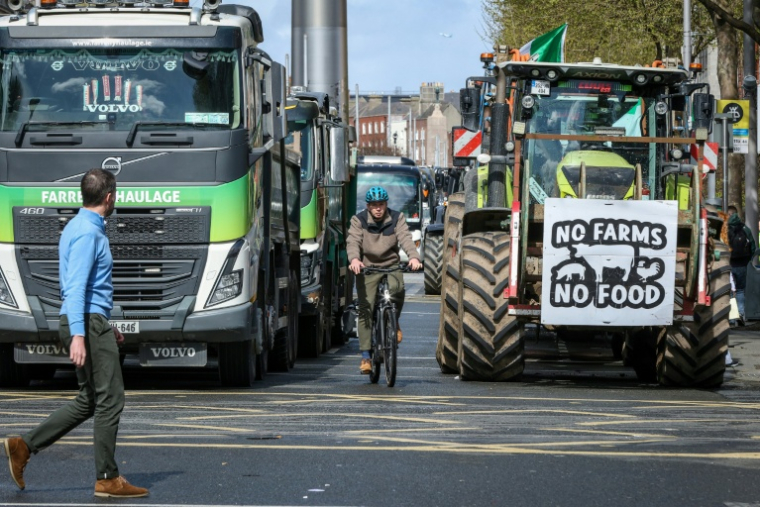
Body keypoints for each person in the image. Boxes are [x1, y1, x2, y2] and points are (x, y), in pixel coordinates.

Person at [3, 169, 148, 498]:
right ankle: (107, 478)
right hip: (84, 321)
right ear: (109, 197)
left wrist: (105, 325)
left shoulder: (78, 226)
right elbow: (77, 286)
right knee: (111, 398)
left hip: (90, 321)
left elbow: (84, 285)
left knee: (88, 400)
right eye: (116, 195)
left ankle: (23, 447)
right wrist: (82, 335)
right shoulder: (88, 233)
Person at [348, 186, 423, 374]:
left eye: (381, 204)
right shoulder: (359, 220)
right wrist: (355, 259)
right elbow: (353, 241)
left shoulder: (397, 218)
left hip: (391, 266)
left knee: (397, 290)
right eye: (374, 205)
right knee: (366, 308)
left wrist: (413, 257)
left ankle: (393, 321)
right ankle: (366, 357)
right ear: (368, 206)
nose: (378, 209)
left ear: (386, 204)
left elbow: (405, 238)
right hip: (368, 267)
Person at [727, 204, 756, 325]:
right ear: (736, 214)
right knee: (740, 290)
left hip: (728, 264)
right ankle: (741, 315)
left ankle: (731, 317)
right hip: (742, 264)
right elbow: (753, 246)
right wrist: (748, 260)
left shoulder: (724, 228)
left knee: (728, 290)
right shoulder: (745, 229)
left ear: (728, 214)